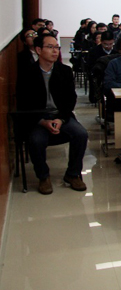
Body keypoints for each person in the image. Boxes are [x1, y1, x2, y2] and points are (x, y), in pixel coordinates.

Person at [16, 33, 88, 195]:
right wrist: (42, 121)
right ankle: (43, 177)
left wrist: (61, 119)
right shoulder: (27, 73)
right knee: (36, 140)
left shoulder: (65, 71)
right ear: (38, 50)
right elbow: (24, 103)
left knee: (81, 134)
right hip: (37, 118)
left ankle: (73, 174)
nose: (55, 51)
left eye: (57, 47)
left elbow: (71, 100)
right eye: (50, 47)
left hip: (61, 116)